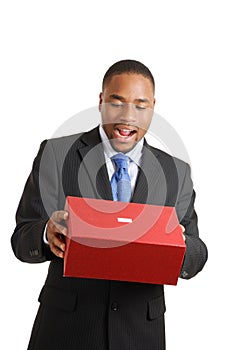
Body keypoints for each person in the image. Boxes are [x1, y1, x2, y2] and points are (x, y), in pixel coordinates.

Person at [11, 59, 208, 350]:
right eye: (117, 103)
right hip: (67, 330)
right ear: (101, 101)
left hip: (140, 333)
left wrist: (179, 245)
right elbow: (22, 238)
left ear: (153, 107)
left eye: (140, 106)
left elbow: (197, 251)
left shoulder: (175, 172)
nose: (128, 116)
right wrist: (45, 233)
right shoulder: (57, 153)